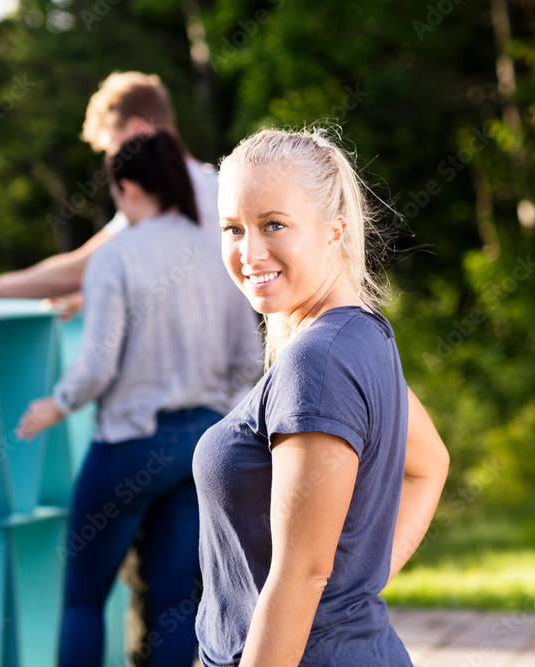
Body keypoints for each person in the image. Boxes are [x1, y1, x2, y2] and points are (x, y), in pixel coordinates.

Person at [192, 128, 449, 666]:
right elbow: (430, 466)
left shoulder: (321, 361)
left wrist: (336, 600)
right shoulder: (359, 336)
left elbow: (302, 574)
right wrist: (352, 593)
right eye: (233, 229)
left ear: (335, 232)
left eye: (274, 225)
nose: (249, 251)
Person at [16, 130, 263, 666]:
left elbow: (98, 365)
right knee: (176, 599)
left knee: (84, 596)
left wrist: (57, 404)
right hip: (200, 444)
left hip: (129, 442)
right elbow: (249, 358)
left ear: (126, 188)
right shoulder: (220, 250)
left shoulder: (117, 255)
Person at [0, 71, 220, 319]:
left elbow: (78, 269)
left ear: (138, 130)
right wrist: (84, 298)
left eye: (112, 150)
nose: (112, 167)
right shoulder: (218, 184)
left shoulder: (155, 199)